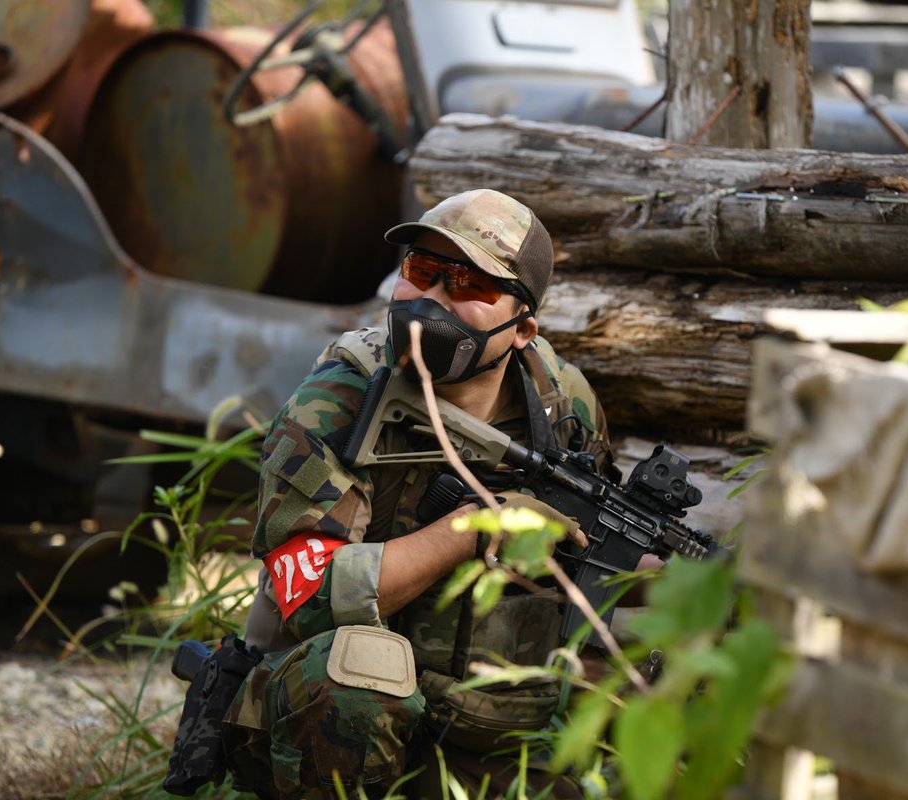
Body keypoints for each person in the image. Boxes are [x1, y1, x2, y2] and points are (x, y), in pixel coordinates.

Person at [221, 188, 615, 799]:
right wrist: (476, 529)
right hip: (337, 720)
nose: (433, 298)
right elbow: (312, 598)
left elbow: (596, 546)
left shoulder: (564, 407)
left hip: (492, 730)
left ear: (522, 328)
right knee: (356, 671)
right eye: (421, 271)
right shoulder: (334, 402)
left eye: (468, 284)